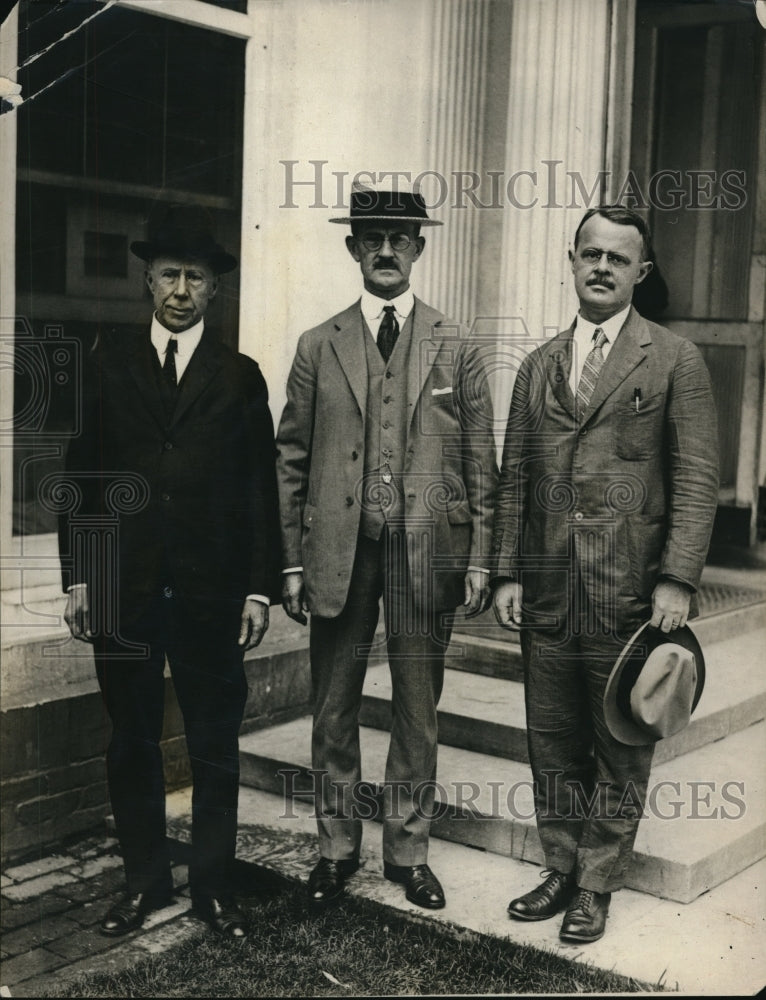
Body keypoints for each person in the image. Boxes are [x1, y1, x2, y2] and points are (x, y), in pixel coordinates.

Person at [491, 205, 719, 943]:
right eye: (590, 254)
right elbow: (515, 477)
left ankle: (596, 884)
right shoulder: (538, 365)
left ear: (640, 272)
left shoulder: (674, 359)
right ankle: (559, 866)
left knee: (621, 743)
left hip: (629, 593)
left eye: (617, 259)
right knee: (552, 737)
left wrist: (677, 578)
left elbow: (696, 478)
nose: (601, 267)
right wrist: (507, 572)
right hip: (548, 590)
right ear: (571, 259)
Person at [59, 204, 281, 939]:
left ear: (215, 288)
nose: (182, 290)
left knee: (214, 745)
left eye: (196, 277)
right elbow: (82, 478)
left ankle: (212, 888)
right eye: (169, 275)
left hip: (210, 596)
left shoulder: (240, 377)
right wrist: (80, 577)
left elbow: (258, 490)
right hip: (122, 591)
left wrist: (257, 587)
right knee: (131, 740)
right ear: (147, 280)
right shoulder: (107, 363)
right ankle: (144, 883)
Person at [276, 181, 498, 911]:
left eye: (400, 238)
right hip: (340, 551)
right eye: (372, 238)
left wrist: (480, 556)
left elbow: (480, 460)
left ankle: (408, 853)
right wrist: (292, 559)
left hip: (425, 551)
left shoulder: (457, 344)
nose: (386, 250)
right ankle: (336, 849)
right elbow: (292, 458)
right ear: (353, 248)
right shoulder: (319, 344)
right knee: (332, 706)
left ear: (419, 248)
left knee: (416, 709)